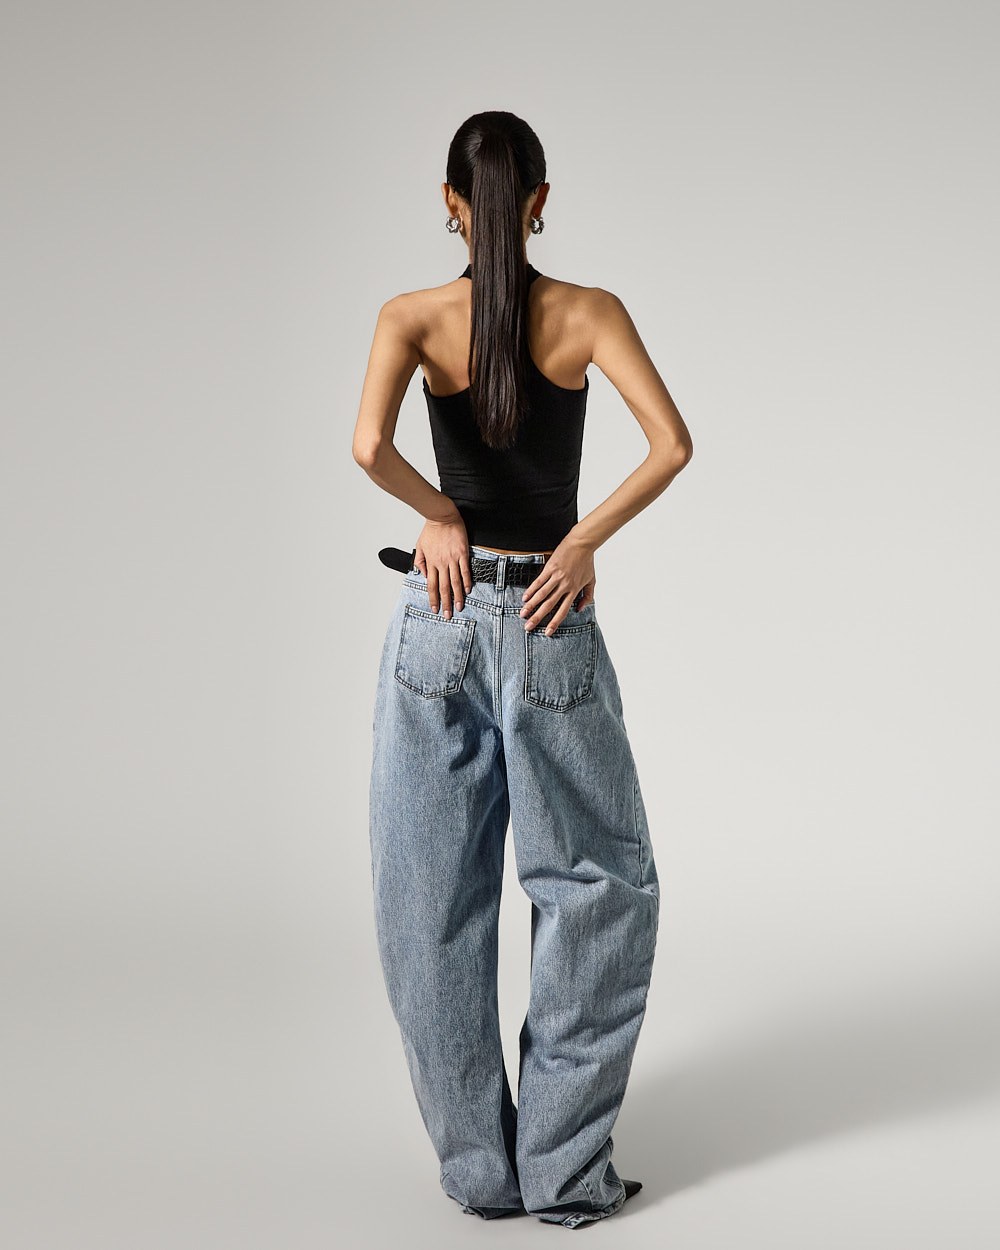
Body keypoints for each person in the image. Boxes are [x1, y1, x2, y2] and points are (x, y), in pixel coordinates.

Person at [352, 110, 693, 1229]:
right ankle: (560, 1169)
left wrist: (438, 512)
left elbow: (368, 447)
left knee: (428, 902)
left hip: (440, 619)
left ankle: (481, 1176)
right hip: (550, 617)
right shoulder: (589, 313)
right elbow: (672, 444)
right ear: (539, 200)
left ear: (451, 203)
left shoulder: (411, 316)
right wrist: (580, 541)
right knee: (594, 888)